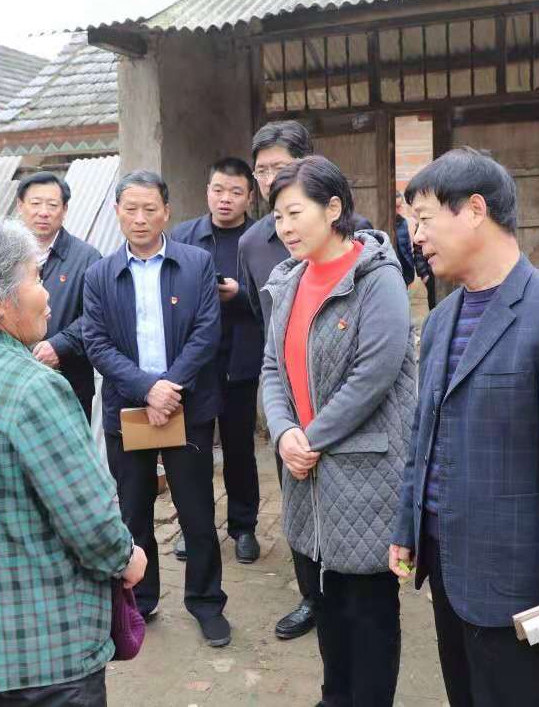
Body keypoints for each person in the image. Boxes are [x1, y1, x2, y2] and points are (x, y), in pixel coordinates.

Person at [390, 147, 539, 707]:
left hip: (524, 584)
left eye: (424, 219)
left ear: (475, 210)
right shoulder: (442, 317)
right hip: (451, 569)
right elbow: (424, 436)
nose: (416, 237)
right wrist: (409, 526)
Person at [0, 217, 147, 706]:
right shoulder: (33, 386)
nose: (48, 293)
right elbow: (90, 519)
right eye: (36, 278)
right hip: (47, 654)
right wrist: (126, 558)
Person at [261, 155, 416, 706]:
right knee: (324, 597)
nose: (285, 227)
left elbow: (373, 376)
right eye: (277, 216)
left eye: (295, 212)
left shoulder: (377, 278)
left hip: (364, 474)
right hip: (305, 470)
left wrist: (310, 438)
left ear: (333, 209)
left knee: (367, 608)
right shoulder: (289, 281)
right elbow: (272, 368)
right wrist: (283, 432)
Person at [82, 170, 232, 648]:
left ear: (167, 212)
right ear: (117, 213)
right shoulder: (99, 274)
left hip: (187, 407)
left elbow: (207, 331)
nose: (140, 218)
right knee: (133, 511)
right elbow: (96, 342)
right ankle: (141, 601)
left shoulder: (196, 263)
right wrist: (148, 388)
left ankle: (206, 602)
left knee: (197, 511)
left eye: (150, 209)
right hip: (129, 411)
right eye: (131, 209)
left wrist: (170, 388)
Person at [237, 120, 372, 641]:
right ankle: (311, 597)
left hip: (342, 410)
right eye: (262, 170)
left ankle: (346, 593)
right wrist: (285, 425)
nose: (270, 177)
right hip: (290, 406)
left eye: (280, 167)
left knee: (346, 510)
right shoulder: (254, 243)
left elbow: (373, 355)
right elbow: (264, 323)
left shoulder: (359, 239)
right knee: (296, 501)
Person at [170, 157, 264, 565]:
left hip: (240, 359)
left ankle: (243, 527)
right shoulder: (183, 237)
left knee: (240, 448)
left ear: (250, 197)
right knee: (193, 451)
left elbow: (276, 295)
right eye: (218, 190)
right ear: (207, 191)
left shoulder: (261, 239)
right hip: (195, 363)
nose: (226, 199)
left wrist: (241, 295)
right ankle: (196, 527)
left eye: (236, 192)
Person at [16, 171, 102, 422]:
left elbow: (97, 316)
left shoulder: (87, 258)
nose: (43, 212)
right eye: (35, 203)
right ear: (20, 206)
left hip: (70, 384)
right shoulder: (3, 256)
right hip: (15, 384)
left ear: (64, 210)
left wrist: (60, 345)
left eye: (52, 205)